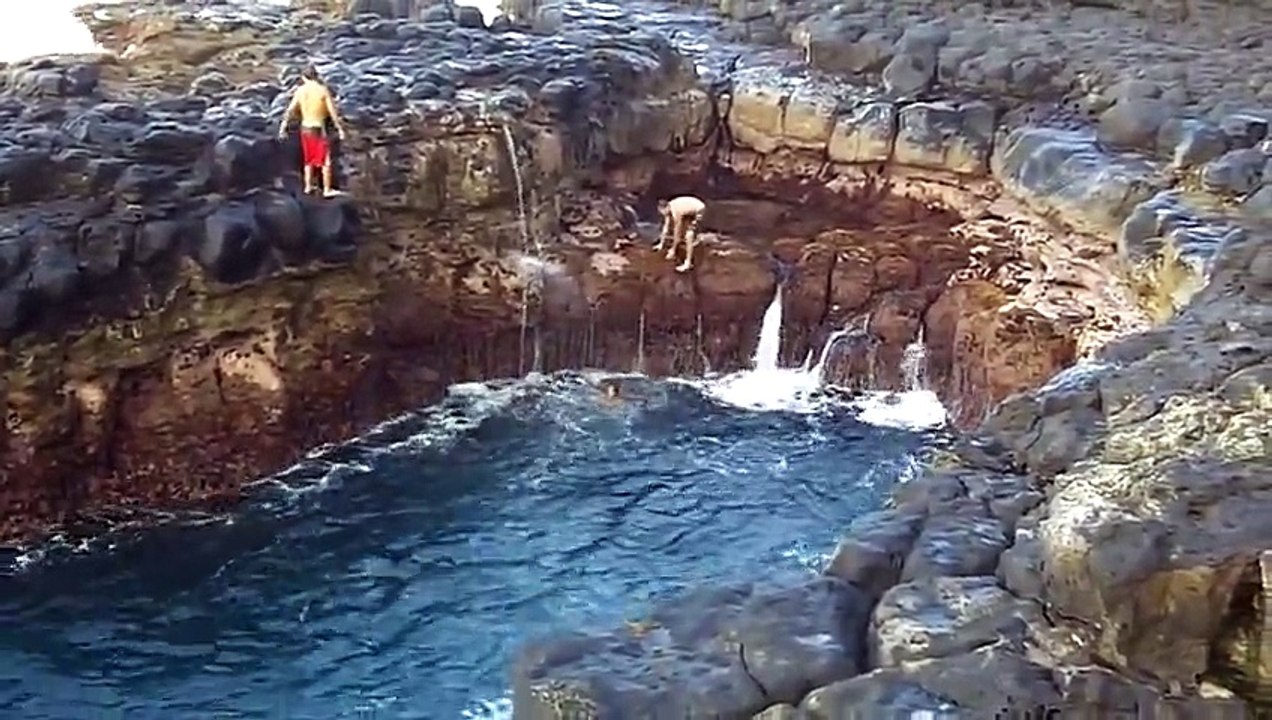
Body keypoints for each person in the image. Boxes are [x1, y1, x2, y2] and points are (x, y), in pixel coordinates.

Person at [277, 64, 348, 197]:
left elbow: (290, 110)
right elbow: (333, 113)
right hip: (318, 128)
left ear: (304, 77)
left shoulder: (300, 91)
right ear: (316, 76)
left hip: (305, 128)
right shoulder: (322, 91)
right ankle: (327, 189)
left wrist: (283, 127)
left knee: (309, 159)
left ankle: (308, 186)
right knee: (325, 160)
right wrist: (340, 129)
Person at [653, 195, 705, 272]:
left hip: (698, 209)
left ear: (664, 208)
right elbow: (666, 227)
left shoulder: (676, 211)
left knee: (688, 235)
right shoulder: (669, 207)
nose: (662, 214)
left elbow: (677, 233)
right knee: (685, 231)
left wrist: (673, 250)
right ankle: (694, 241)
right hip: (688, 210)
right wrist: (661, 244)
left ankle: (688, 263)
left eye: (662, 212)